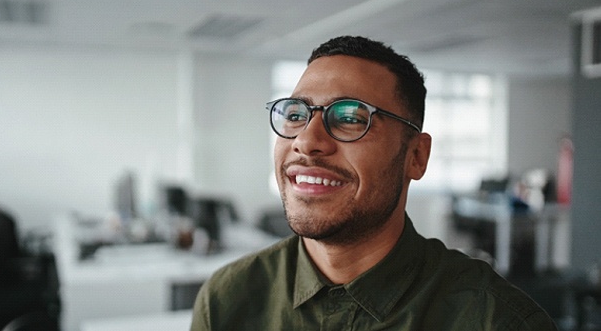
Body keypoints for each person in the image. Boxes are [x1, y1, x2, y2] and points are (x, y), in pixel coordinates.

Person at [190, 36, 557, 330]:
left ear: (416, 156)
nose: (306, 140)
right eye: (295, 114)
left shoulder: (496, 320)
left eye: (350, 117)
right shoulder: (228, 299)